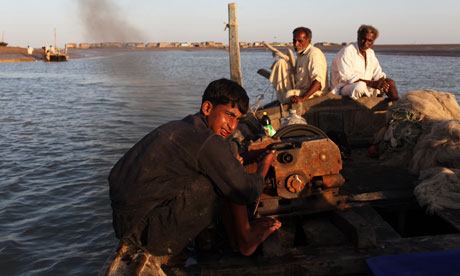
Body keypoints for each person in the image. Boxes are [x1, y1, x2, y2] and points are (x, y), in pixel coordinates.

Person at [108, 78, 281, 259]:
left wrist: (241, 158)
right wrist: (263, 166)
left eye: (238, 119)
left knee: (226, 162)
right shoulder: (206, 141)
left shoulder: (185, 127)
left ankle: (235, 238)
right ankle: (246, 240)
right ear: (207, 108)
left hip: (126, 224)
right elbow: (247, 192)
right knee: (226, 177)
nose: (233, 126)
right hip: (147, 235)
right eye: (229, 115)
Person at [330, 25, 399, 101]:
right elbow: (347, 78)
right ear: (358, 38)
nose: (366, 43)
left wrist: (382, 82)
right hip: (343, 88)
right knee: (360, 86)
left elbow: (378, 73)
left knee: (389, 82)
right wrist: (373, 84)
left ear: (373, 42)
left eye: (369, 41)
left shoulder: (370, 53)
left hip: (367, 86)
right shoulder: (347, 51)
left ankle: (397, 104)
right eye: (363, 39)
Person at [269, 27, 328, 104]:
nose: (296, 44)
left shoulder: (314, 54)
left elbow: (318, 82)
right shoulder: (300, 55)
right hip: (301, 90)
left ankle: (285, 100)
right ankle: (284, 99)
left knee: (288, 95)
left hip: (315, 94)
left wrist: (303, 98)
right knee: (281, 63)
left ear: (308, 41)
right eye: (294, 41)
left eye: (300, 41)